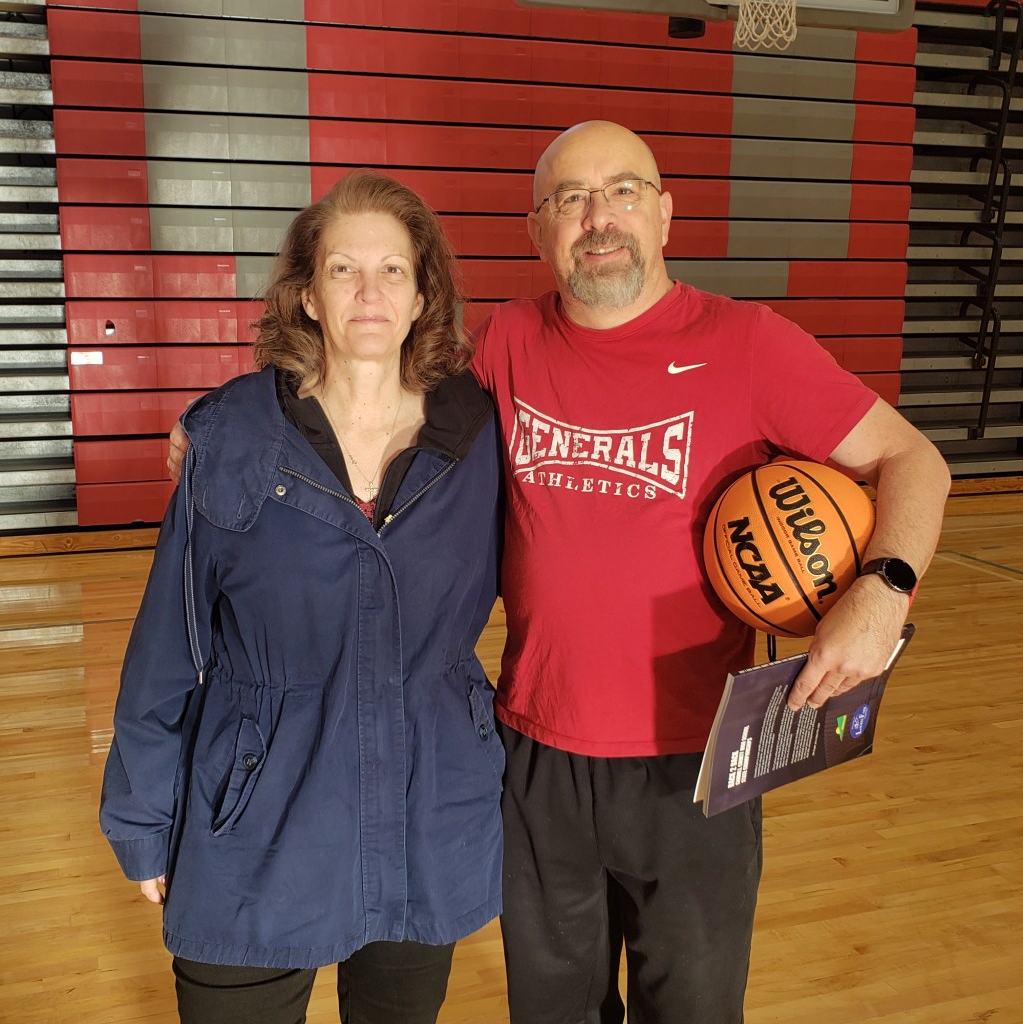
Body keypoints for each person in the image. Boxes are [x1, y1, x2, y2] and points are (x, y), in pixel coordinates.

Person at [169, 122, 951, 1024]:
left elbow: (914, 458)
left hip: (693, 761)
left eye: (623, 191)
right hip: (533, 758)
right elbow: (367, 376)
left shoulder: (750, 343)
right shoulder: (508, 342)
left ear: (665, 214)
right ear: (539, 229)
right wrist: (222, 421)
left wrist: (883, 591)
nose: (599, 217)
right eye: (570, 199)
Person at [102, 170, 504, 1024]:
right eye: (343, 270)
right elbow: (168, 644)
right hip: (257, 804)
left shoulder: (477, 439)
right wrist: (141, 817)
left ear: (422, 295)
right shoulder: (233, 437)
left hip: (426, 807)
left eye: (393, 270)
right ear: (309, 296)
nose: (369, 292)